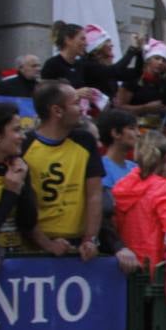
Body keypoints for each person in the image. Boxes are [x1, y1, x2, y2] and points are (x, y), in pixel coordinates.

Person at [21, 80, 105, 259]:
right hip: (35, 246)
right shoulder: (24, 145)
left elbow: (94, 194)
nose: (82, 109)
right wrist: (45, 242)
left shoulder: (85, 141)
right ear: (57, 111)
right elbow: (23, 203)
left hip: (78, 244)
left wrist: (90, 239)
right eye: (76, 103)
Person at [111, 130, 166, 269]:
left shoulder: (122, 186)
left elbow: (116, 224)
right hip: (155, 264)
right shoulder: (161, 187)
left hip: (128, 264)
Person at [0, 102, 37, 251]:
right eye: (17, 130)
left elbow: (28, 223)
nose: (23, 137)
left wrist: (22, 186)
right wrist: (11, 192)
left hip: (16, 262)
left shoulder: (18, 166)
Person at [116, 38, 166, 128]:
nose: (160, 62)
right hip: (131, 127)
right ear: (148, 60)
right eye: (157, 58)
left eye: (164, 60)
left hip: (154, 129)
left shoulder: (164, 82)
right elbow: (119, 107)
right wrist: (145, 108)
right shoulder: (134, 77)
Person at [97, 108, 140, 188]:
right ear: (116, 133)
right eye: (132, 128)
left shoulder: (134, 167)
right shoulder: (101, 168)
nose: (138, 133)